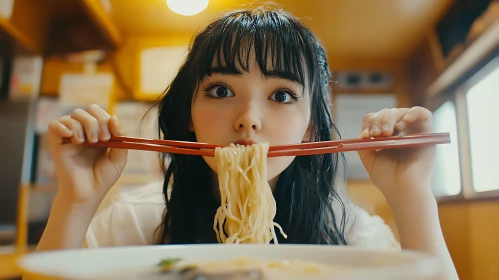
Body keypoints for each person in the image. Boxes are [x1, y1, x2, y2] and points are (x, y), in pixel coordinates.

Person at [36, 6, 458, 279]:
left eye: (281, 95)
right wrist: (75, 200)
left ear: (311, 128)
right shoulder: (135, 223)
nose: (248, 121)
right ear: (189, 115)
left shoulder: (351, 235)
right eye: (220, 90)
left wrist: (412, 195)